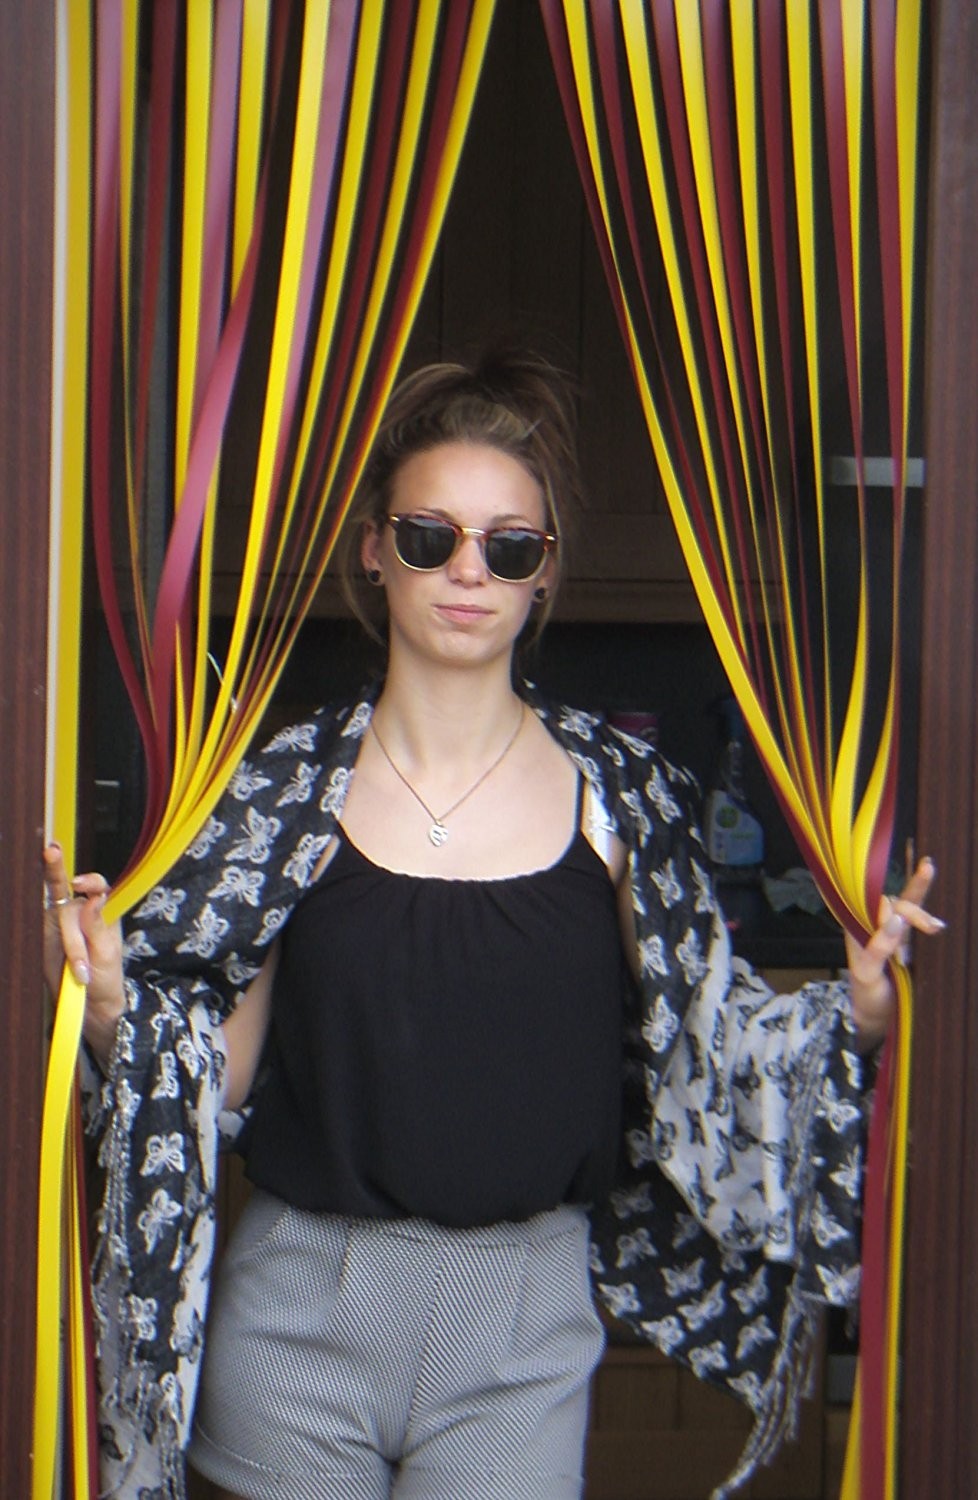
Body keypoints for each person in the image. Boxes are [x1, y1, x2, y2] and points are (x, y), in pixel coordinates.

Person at [43, 351, 941, 1500]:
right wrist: (114, 1008)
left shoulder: (624, 798)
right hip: (295, 1313)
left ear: (542, 572)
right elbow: (218, 1073)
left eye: (508, 546)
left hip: (524, 1324)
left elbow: (714, 1054)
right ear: (375, 549)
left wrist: (853, 1016)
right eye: (431, 536)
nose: (469, 570)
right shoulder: (284, 791)